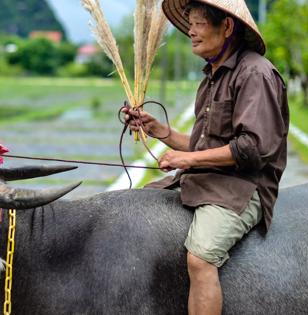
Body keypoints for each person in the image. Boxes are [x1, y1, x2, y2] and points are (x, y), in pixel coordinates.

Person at [123, 0, 289, 314]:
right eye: (191, 23)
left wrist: (187, 161)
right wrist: (161, 132)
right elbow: (204, 144)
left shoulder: (255, 73)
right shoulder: (213, 75)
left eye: (200, 23)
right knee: (140, 208)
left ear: (227, 27)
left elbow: (251, 148)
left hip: (243, 187)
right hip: (210, 177)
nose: (191, 32)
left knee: (200, 258)